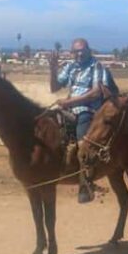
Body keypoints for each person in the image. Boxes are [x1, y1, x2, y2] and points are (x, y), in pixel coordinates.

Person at [49, 38, 116, 202]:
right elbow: (54, 87)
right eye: (76, 51)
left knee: (83, 146)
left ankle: (85, 184)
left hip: (88, 110)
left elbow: (95, 93)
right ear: (72, 52)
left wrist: (69, 102)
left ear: (88, 51)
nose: (79, 54)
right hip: (68, 108)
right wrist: (52, 69)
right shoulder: (71, 66)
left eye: (82, 50)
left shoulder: (96, 67)